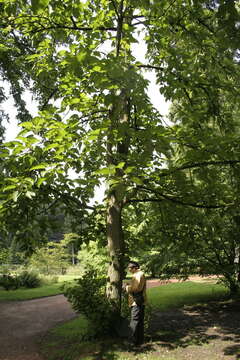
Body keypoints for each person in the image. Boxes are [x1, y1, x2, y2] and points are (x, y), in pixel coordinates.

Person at [124, 260, 147, 347]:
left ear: (135, 268)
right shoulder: (138, 274)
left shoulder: (138, 275)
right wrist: (129, 284)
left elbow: (136, 288)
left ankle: (131, 341)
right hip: (140, 301)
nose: (129, 269)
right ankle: (139, 341)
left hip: (136, 302)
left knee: (134, 321)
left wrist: (126, 287)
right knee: (140, 321)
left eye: (130, 268)